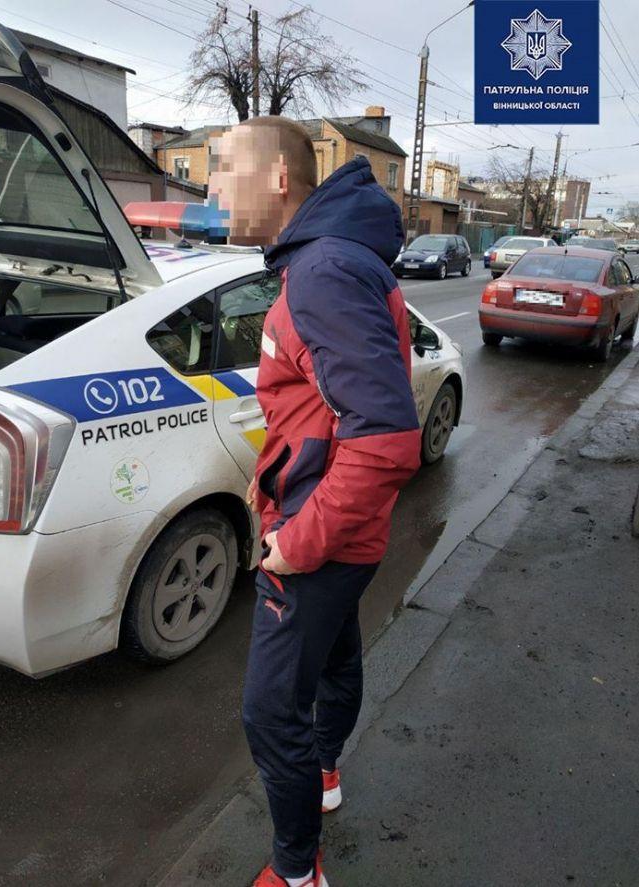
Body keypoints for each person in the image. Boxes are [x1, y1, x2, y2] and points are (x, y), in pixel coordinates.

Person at [209, 116, 421, 887]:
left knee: (270, 714)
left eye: (222, 166)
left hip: (320, 538)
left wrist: (297, 542)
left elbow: (385, 438)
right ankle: (325, 772)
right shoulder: (330, 257)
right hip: (344, 530)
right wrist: (270, 472)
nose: (211, 186)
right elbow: (320, 403)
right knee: (335, 656)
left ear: (276, 179)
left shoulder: (324, 270)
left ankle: (297, 873)